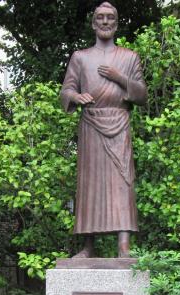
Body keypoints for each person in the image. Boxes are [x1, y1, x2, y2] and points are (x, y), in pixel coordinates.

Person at [61, 2, 147, 258]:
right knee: (90, 185)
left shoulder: (129, 57)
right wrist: (76, 97)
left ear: (117, 24)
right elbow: (66, 90)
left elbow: (142, 95)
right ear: (93, 23)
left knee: (123, 182)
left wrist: (119, 77)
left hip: (119, 123)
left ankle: (124, 246)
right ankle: (88, 246)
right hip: (91, 126)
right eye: (100, 17)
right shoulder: (80, 57)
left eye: (110, 18)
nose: (105, 21)